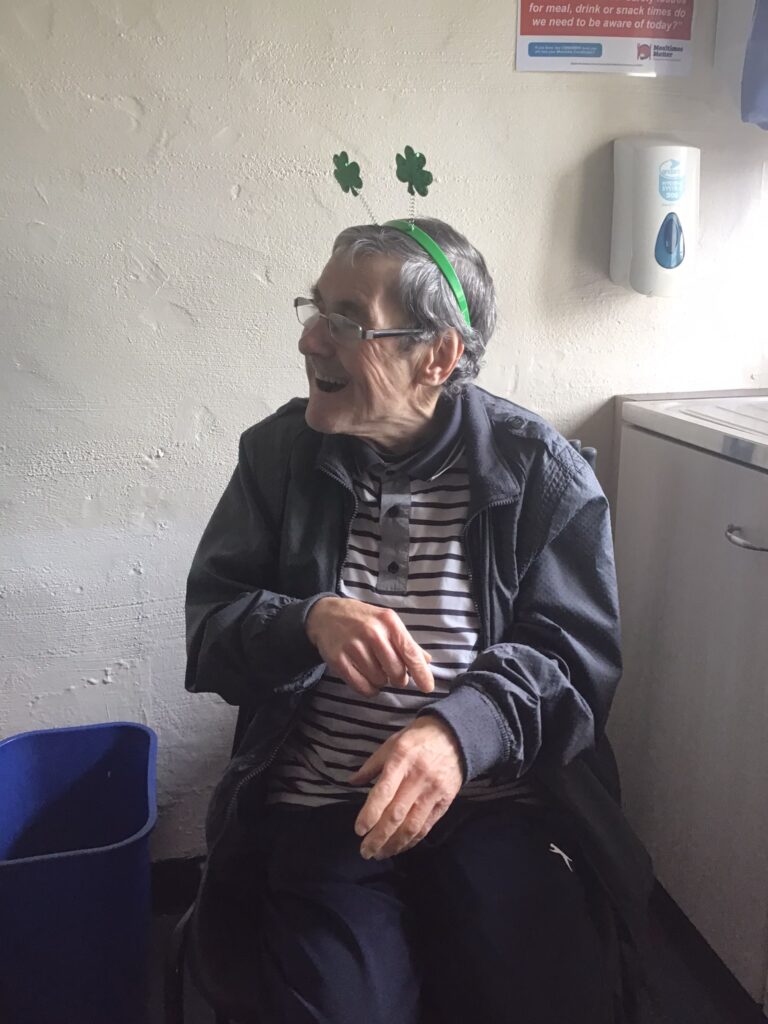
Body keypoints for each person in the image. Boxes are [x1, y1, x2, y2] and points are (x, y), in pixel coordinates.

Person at [184, 218, 652, 1024]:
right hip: (328, 806)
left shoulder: (541, 470)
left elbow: (574, 668)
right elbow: (211, 630)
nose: (309, 339)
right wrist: (306, 621)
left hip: (497, 805)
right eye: (315, 309)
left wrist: (458, 734)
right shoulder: (276, 458)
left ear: (436, 356)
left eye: (346, 320)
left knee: (546, 998)